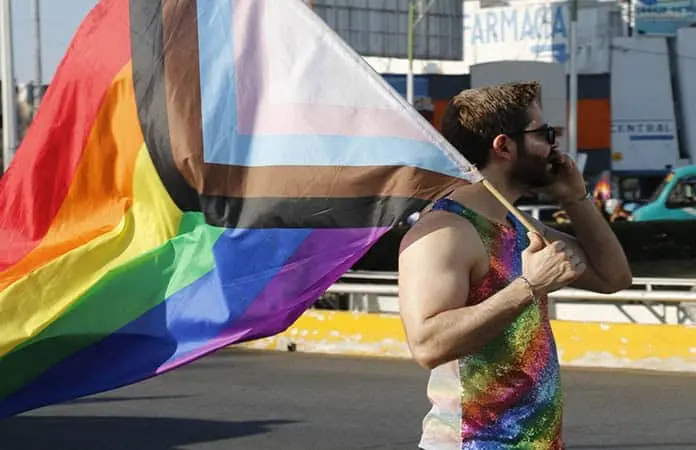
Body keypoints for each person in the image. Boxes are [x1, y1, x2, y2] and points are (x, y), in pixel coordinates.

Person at [397, 81, 632, 449]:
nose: (554, 147)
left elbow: (613, 276)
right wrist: (528, 287)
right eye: (544, 134)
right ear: (504, 146)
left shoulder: (517, 225)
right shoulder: (445, 230)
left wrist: (575, 199)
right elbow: (427, 344)